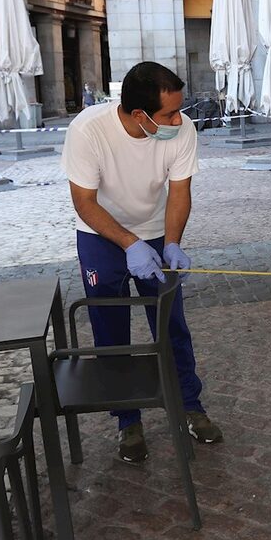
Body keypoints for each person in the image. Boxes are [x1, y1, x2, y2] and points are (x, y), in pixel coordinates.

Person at [61, 60, 222, 462]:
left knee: (171, 324)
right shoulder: (87, 130)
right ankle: (127, 421)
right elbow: (84, 202)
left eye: (179, 110)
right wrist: (129, 244)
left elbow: (179, 192)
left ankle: (189, 405)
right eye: (169, 114)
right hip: (100, 234)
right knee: (110, 329)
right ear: (139, 114)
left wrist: (172, 242)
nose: (178, 120)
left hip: (155, 229)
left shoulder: (182, 129)